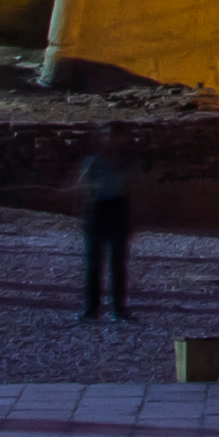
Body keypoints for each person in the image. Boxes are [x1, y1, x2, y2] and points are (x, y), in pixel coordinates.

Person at [77, 135, 139, 321]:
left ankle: (117, 309)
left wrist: (132, 217)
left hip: (116, 212)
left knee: (117, 265)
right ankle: (92, 310)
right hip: (98, 213)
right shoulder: (92, 163)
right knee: (95, 265)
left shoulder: (123, 164)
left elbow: (131, 190)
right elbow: (82, 188)